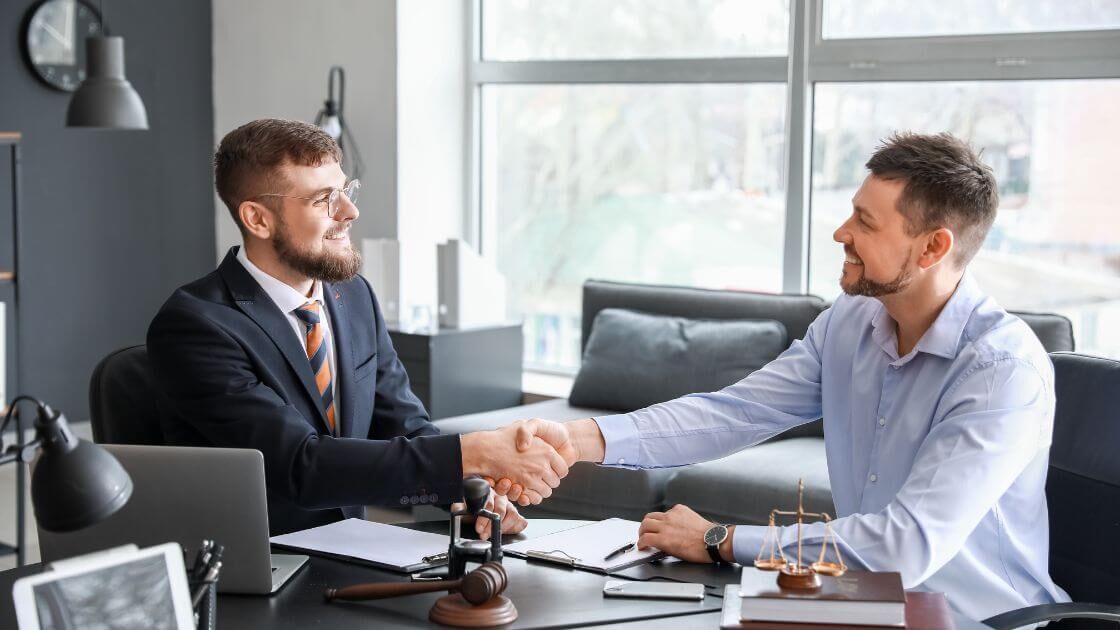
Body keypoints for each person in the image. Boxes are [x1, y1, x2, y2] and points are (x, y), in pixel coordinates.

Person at [504, 132, 1071, 621]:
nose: (841, 233)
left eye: (865, 223)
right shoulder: (851, 322)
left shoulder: (1001, 373)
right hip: (865, 601)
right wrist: (581, 440)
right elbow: (736, 412)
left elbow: (906, 545)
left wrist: (719, 540)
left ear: (932, 247)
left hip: (973, 618)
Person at [148, 119, 565, 538]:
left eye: (346, 191)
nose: (350, 212)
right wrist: (471, 452)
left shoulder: (353, 296)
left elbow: (400, 424)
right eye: (324, 200)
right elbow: (301, 466)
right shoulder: (196, 325)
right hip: (266, 569)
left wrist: (462, 492)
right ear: (258, 219)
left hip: (356, 549)